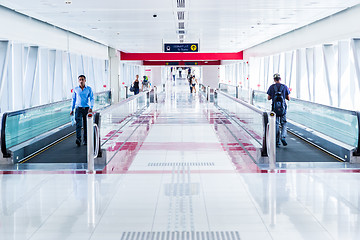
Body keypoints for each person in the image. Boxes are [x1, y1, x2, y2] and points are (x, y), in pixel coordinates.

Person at [267, 73, 290, 146]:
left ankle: (277, 141)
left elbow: (268, 98)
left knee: (276, 124)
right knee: (284, 123)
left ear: (274, 79)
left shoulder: (271, 87)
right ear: (280, 79)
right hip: (283, 108)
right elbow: (288, 98)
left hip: (274, 108)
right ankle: (283, 137)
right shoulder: (284, 87)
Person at [70, 75, 94, 146]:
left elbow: (92, 98)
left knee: (86, 125)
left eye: (82, 79)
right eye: (80, 80)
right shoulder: (76, 89)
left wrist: (91, 107)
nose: (81, 81)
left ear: (85, 80)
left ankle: (85, 140)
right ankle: (78, 139)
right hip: (78, 109)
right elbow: (73, 100)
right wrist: (72, 109)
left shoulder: (89, 89)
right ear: (78, 81)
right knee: (78, 125)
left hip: (86, 109)